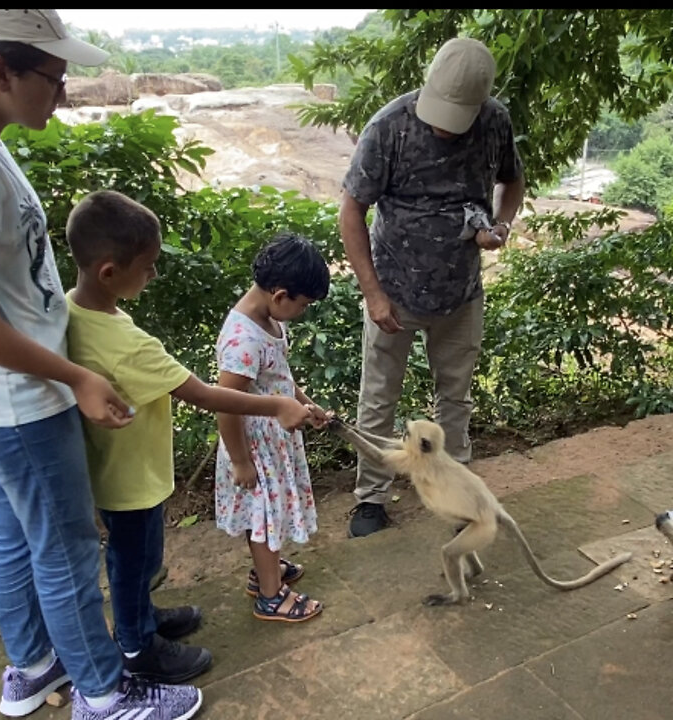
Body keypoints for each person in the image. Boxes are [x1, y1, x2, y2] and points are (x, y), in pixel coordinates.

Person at [0, 10, 202, 719]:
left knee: (16, 532)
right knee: (65, 548)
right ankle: (104, 695)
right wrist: (76, 375)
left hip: (6, 397)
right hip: (16, 401)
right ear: (0, 72)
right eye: (53, 79)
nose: (60, 95)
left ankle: (33, 666)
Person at [63, 192, 313, 679]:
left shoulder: (84, 312)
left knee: (141, 557)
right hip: (130, 477)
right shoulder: (131, 343)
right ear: (110, 272)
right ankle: (137, 648)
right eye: (149, 266)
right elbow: (207, 395)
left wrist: (292, 399)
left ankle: (144, 618)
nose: (154, 275)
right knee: (136, 559)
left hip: (126, 467)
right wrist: (279, 406)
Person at [338, 37, 526, 538]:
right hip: (394, 291)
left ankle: (456, 497)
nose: (445, 125)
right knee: (378, 399)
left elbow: (513, 183)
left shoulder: (494, 122)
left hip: (461, 292)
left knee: (455, 400)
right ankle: (371, 498)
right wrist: (374, 294)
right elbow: (350, 211)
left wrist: (500, 226)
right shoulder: (388, 127)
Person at [215, 233, 332, 622]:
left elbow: (278, 377)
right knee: (262, 515)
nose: (302, 312)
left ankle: (267, 568)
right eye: (303, 305)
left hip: (273, 440)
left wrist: (304, 403)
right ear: (281, 295)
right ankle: (270, 594)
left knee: (266, 512)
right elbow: (224, 404)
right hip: (252, 447)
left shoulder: (269, 321)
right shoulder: (244, 339)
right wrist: (240, 461)